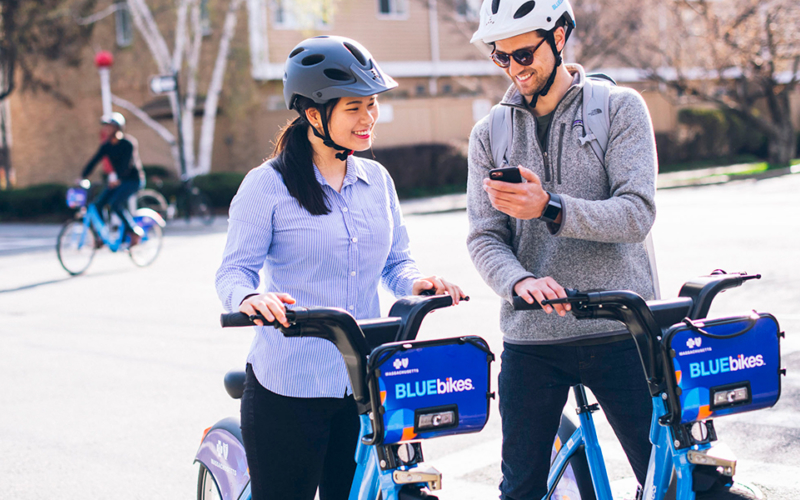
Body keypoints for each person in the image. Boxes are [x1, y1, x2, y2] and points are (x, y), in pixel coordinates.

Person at [215, 36, 465, 500]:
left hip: (364, 387)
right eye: (354, 108)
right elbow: (233, 273)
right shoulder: (265, 186)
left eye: (371, 105)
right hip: (288, 389)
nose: (369, 118)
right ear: (313, 114)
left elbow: (396, 261)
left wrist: (415, 281)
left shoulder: (377, 181)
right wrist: (251, 299)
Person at [466, 0, 658, 498]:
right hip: (533, 343)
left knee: (671, 481)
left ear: (560, 36)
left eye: (524, 53)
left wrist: (551, 207)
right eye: (501, 57)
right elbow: (485, 235)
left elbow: (636, 214)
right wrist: (519, 282)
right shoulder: (490, 134)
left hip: (621, 330)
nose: (514, 68)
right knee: (521, 488)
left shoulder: (620, 109)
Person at [80, 112, 145, 244]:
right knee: (98, 204)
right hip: (118, 181)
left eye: (110, 126)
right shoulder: (106, 146)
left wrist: (119, 179)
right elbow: (94, 161)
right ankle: (103, 235)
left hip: (133, 180)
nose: (107, 129)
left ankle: (133, 231)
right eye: (106, 127)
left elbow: (128, 164)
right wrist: (82, 176)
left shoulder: (128, 143)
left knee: (115, 204)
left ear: (118, 128)